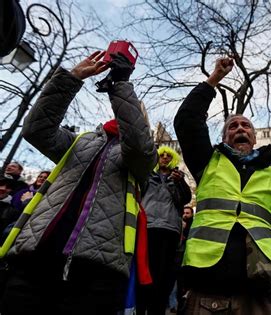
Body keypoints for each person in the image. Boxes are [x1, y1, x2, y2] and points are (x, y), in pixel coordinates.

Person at [0, 50, 156, 315]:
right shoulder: (78, 141)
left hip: (96, 272)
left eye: (131, 111)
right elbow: (36, 130)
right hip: (35, 258)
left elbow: (139, 145)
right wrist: (72, 78)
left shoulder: (142, 157)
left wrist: (120, 84)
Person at [174, 57, 271, 314]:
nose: (240, 128)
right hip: (208, 287)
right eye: (233, 126)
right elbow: (187, 121)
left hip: (264, 291)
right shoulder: (208, 162)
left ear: (255, 136)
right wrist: (213, 80)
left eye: (246, 125)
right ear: (224, 137)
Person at [137, 146, 191, 315]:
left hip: (170, 230)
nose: (165, 158)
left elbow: (185, 199)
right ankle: (140, 307)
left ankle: (158, 309)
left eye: (169, 155)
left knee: (164, 275)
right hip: (148, 227)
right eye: (162, 155)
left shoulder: (178, 179)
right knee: (145, 271)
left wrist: (180, 182)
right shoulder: (147, 176)